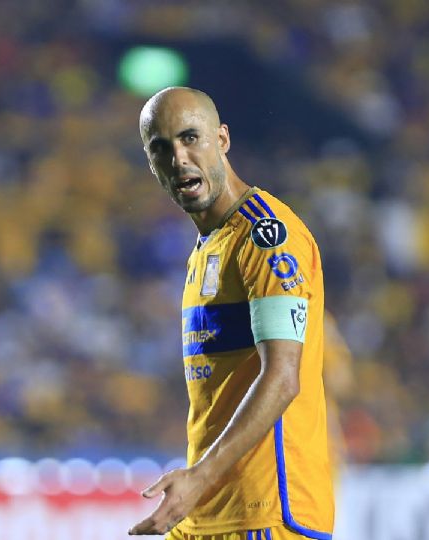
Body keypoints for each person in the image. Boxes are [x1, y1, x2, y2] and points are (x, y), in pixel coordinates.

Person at [129, 87, 334, 540]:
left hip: (266, 513)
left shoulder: (268, 237)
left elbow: (282, 377)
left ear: (222, 140)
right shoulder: (208, 246)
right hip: (210, 512)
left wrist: (199, 478)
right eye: (161, 148)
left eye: (190, 138)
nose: (179, 158)